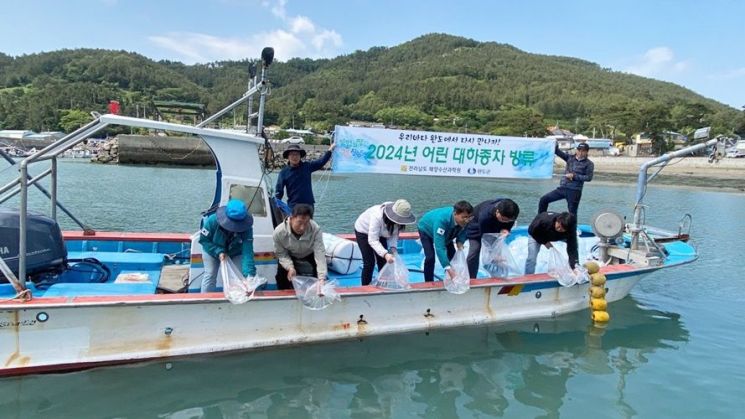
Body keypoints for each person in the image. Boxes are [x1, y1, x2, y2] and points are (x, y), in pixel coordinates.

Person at [354, 199, 417, 285]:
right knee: (369, 263)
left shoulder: (398, 220)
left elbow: (394, 235)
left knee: (383, 261)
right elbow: (372, 240)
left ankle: (382, 285)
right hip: (364, 231)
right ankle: (365, 287)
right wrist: (385, 254)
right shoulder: (377, 216)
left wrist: (393, 248)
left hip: (382, 233)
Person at [198, 199, 256, 292]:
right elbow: (204, 240)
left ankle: (236, 298)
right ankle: (204, 299)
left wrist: (249, 276)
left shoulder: (247, 229)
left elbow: (247, 252)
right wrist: (218, 252)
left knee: (239, 276)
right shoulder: (212, 221)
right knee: (210, 274)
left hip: (235, 251)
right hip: (211, 250)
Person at [272, 203, 327, 290]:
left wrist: (322, 277)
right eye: (299, 222)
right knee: (281, 276)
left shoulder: (315, 229)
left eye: (306, 223)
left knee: (320, 278)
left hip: (309, 253)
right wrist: (290, 267)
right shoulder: (279, 232)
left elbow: (319, 253)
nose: (302, 228)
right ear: (291, 218)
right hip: (290, 254)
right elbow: (281, 254)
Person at [417, 201, 474, 282]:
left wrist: (460, 241)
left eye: (469, 217)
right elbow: (440, 247)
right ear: (455, 214)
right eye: (464, 217)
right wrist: (448, 268)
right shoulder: (442, 221)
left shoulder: (466, 219)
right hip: (426, 230)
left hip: (448, 231)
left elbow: (464, 231)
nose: (467, 220)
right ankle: (429, 282)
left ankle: (449, 279)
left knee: (453, 256)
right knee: (430, 257)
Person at [274, 142, 336, 215]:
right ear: (288, 156)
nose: (295, 157)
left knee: (308, 225)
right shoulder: (283, 172)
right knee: (295, 225)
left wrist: (330, 150)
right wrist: (277, 206)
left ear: (300, 156)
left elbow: (321, 162)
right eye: (292, 155)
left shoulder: (307, 166)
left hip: (308, 205)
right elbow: (279, 191)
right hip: (293, 206)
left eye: (297, 154)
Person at [465, 198, 520, 278]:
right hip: (476, 228)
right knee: (474, 252)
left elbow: (509, 221)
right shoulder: (485, 216)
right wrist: (493, 254)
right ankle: (471, 278)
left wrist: (506, 229)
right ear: (497, 212)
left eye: (508, 220)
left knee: (499, 253)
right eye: (504, 219)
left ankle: (499, 275)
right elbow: (486, 238)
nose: (505, 222)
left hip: (495, 226)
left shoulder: (511, 211)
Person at [538, 142, 594, 215]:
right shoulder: (570, 158)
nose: (580, 152)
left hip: (575, 191)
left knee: (572, 212)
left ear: (586, 152)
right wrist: (555, 143)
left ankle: (573, 226)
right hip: (562, 188)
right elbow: (557, 151)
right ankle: (541, 219)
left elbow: (588, 177)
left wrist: (574, 176)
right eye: (579, 150)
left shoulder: (589, 164)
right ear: (576, 150)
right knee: (543, 200)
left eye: (583, 151)